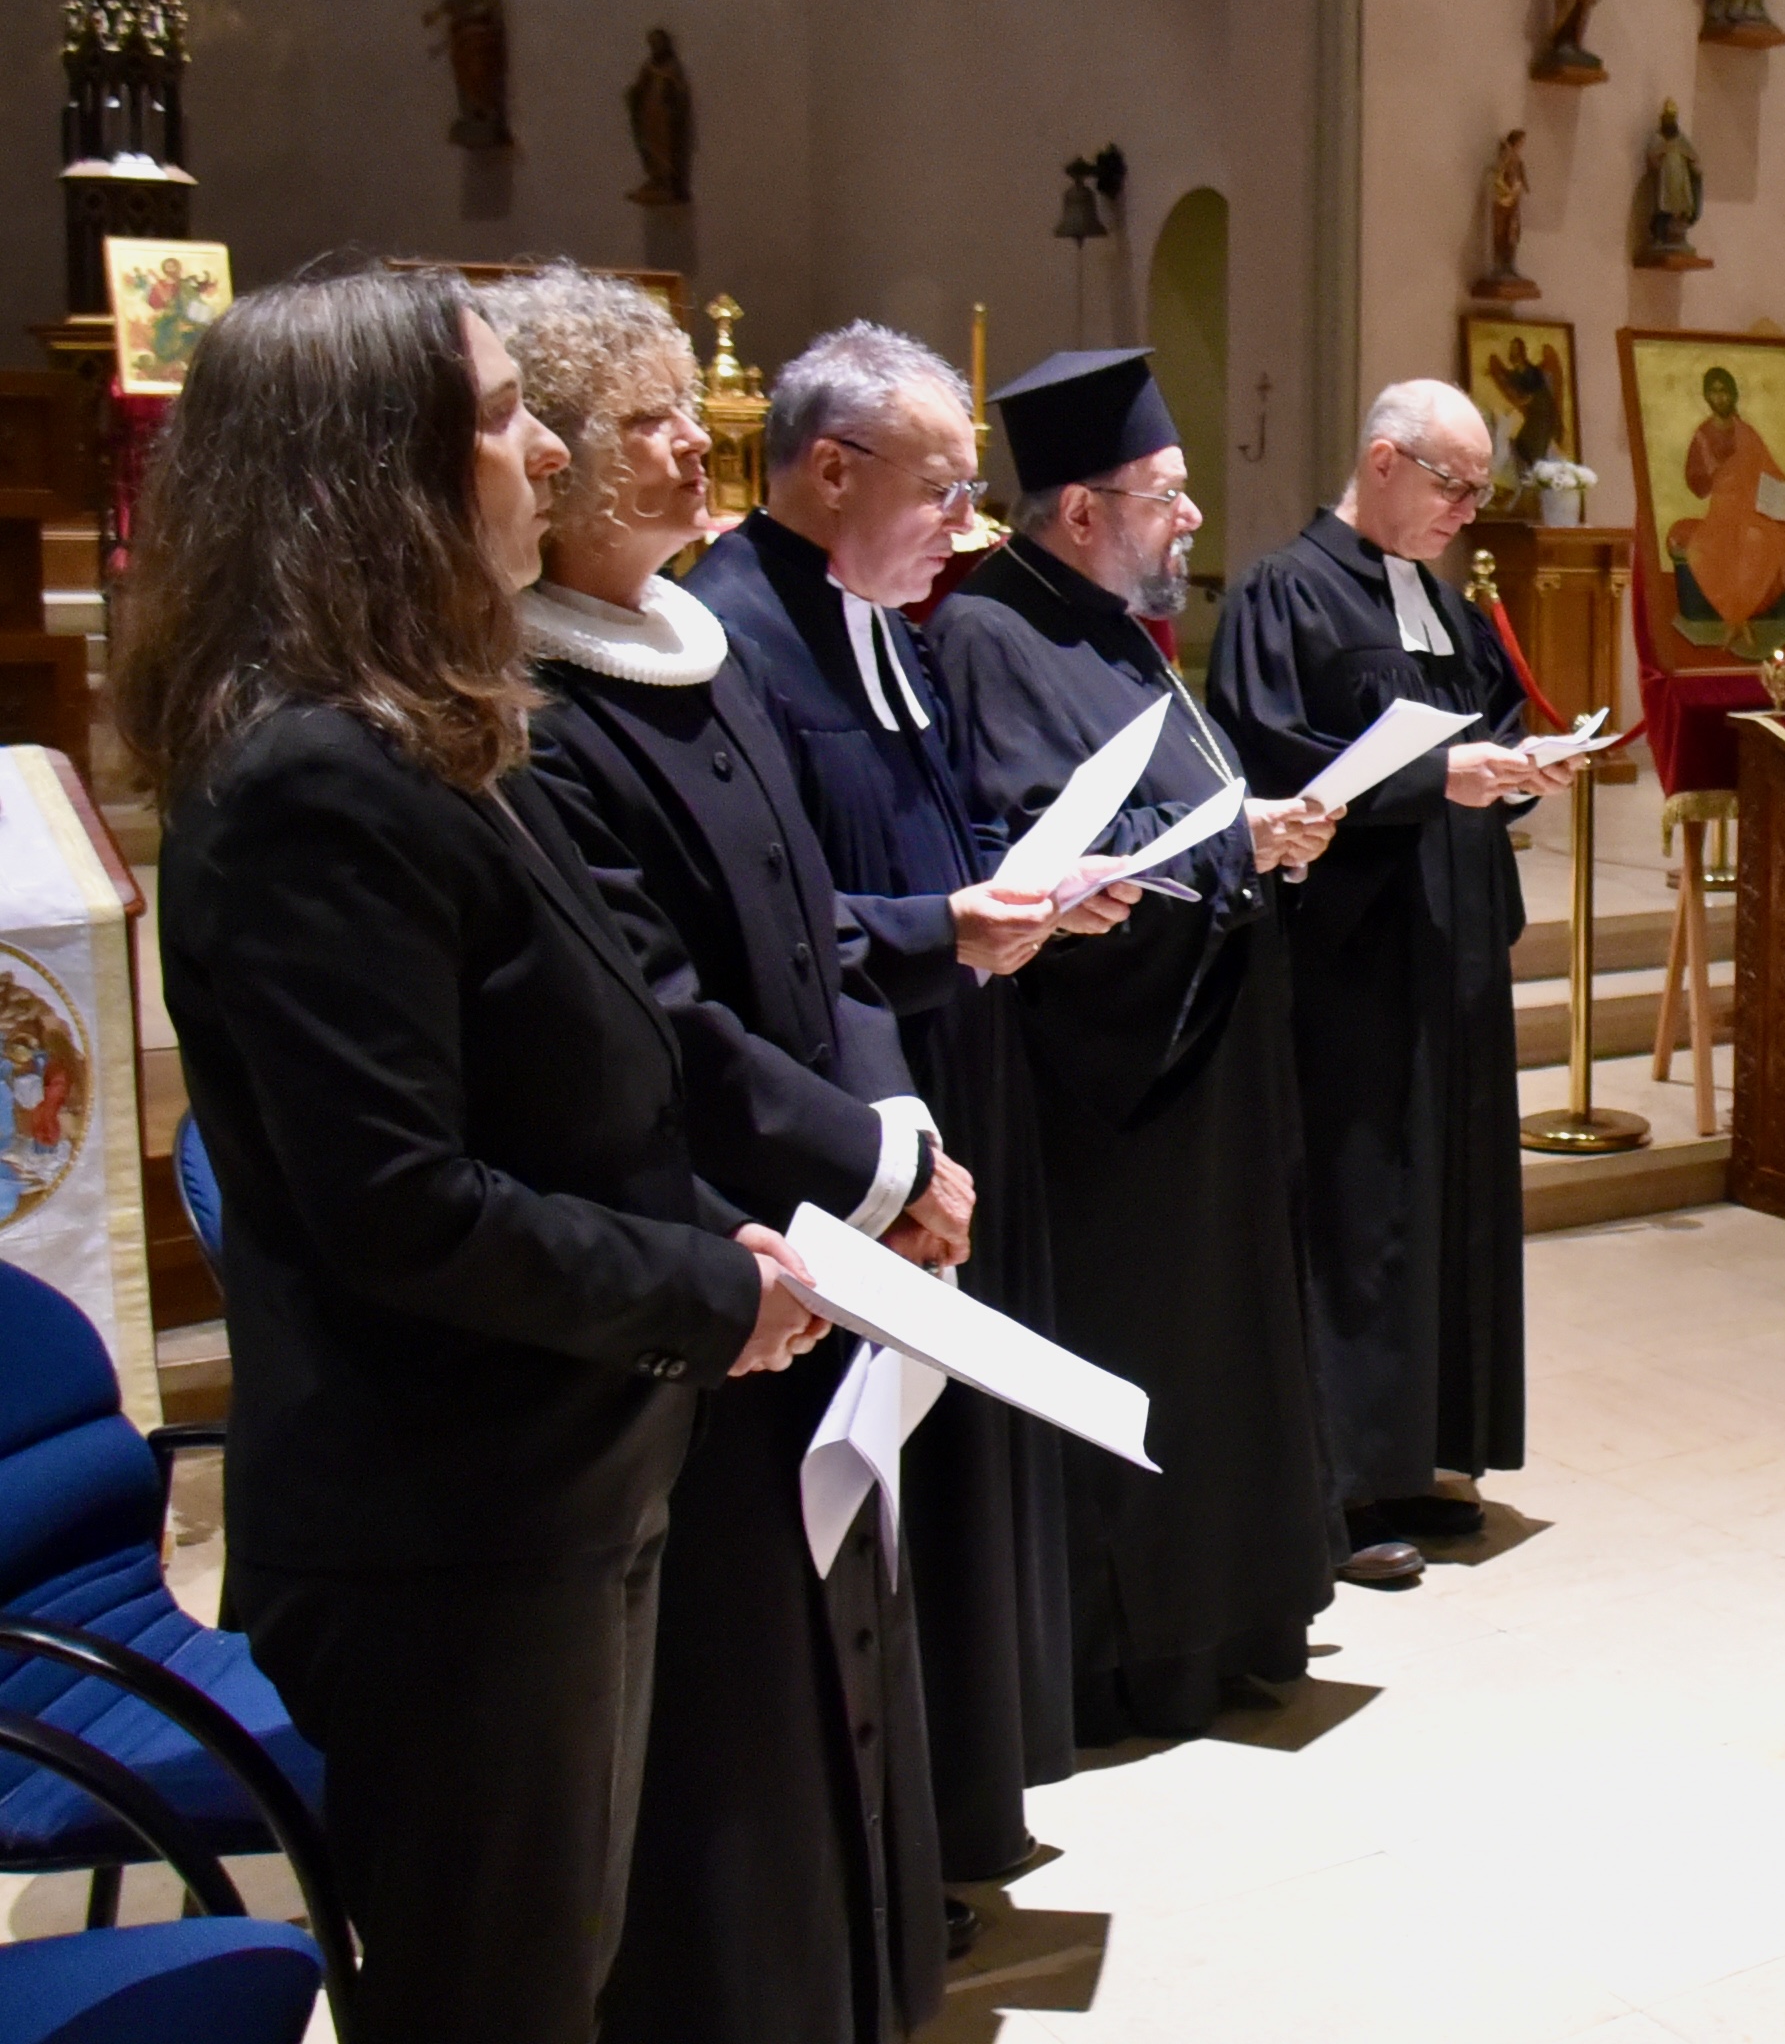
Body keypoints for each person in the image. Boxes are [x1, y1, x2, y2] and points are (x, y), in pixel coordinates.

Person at [123, 267, 827, 2041]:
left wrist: (734, 1235)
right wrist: (702, 1290)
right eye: (507, 417)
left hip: (562, 1475)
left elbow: (586, 1081)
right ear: (381, 472)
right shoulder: (308, 783)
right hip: (448, 1532)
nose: (548, 451)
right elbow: (402, 1205)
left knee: (552, 1973)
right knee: (490, 2000)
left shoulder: (436, 731)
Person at [480, 268, 962, 2043]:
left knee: (843, 1622)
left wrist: (898, 1135)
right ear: (547, 461)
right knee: (737, 1692)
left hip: (822, 1214)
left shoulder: (702, 648)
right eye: (645, 422)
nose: (698, 444)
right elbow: (662, 1020)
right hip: (706, 1243)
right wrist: (864, 1175)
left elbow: (822, 936)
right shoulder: (535, 709)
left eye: (696, 408)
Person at [683, 320, 1117, 1882]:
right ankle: (884, 1855)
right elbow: (770, 927)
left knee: (946, 1468)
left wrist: (1024, 888)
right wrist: (946, 927)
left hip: (948, 1073)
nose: (966, 523)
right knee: (866, 1491)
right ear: (829, 469)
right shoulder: (732, 633)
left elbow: (926, 836)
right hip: (836, 1116)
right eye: (940, 489)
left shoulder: (878, 622)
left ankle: (954, 1812)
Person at [929, 349, 1384, 1743]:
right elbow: (1031, 845)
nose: (1192, 517)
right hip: (1115, 1092)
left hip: (1211, 1065)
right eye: (1166, 493)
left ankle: (1237, 1617)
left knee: (1228, 1348)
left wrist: (1263, 830)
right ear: (1081, 510)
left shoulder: (1120, 627)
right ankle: (1143, 1655)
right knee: (1151, 1358)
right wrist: (1230, 843)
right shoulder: (990, 631)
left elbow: (1181, 799)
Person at [1207, 382, 1567, 1556]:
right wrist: (1437, 779)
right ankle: (1344, 1483)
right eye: (1453, 484)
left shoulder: (1443, 602)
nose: (1467, 509)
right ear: (1382, 460)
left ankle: (1427, 1453)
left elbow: (1482, 730)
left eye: (1478, 489)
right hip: (1354, 950)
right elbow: (1266, 755)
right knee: (1360, 1204)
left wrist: (1520, 765)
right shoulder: (1282, 591)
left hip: (1453, 940)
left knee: (1449, 1193)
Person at [1670, 361, 1785, 633]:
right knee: (1724, 543)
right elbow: (1697, 485)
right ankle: (1736, 616)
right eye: (1713, 391)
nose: (1719, 397)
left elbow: (1770, 472)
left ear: (1734, 394)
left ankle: (1743, 614)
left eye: (1724, 390)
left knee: (1758, 538)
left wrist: (1784, 496)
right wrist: (1713, 472)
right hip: (1723, 510)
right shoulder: (1702, 437)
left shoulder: (1746, 433)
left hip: (1753, 509)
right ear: (1706, 396)